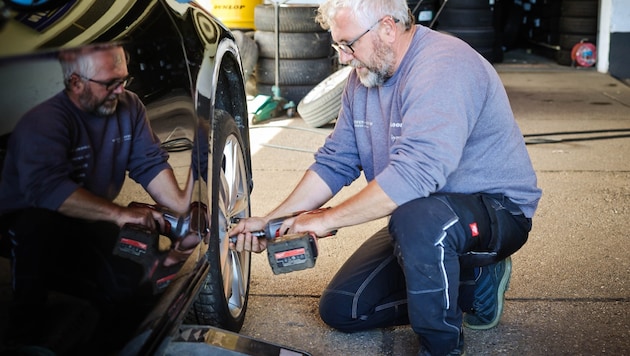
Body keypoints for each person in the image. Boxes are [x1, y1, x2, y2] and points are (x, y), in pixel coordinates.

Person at [229, 0, 542, 355]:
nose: (344, 57)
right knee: (344, 309)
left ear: (388, 29)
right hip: (425, 218)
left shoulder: (443, 66)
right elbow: (336, 162)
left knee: (418, 219)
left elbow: (416, 175)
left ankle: (441, 346)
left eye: (349, 44)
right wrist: (273, 220)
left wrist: (326, 219)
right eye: (338, 45)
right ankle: (476, 282)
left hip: (494, 212)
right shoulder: (362, 80)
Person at [0, 44, 193, 350]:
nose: (120, 89)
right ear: (76, 82)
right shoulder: (45, 119)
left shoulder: (129, 106)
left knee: (133, 286)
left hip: (89, 217)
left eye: (124, 79)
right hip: (30, 217)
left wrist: (185, 207)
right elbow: (48, 191)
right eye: (110, 83)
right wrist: (119, 214)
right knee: (35, 229)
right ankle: (24, 335)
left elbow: (150, 164)